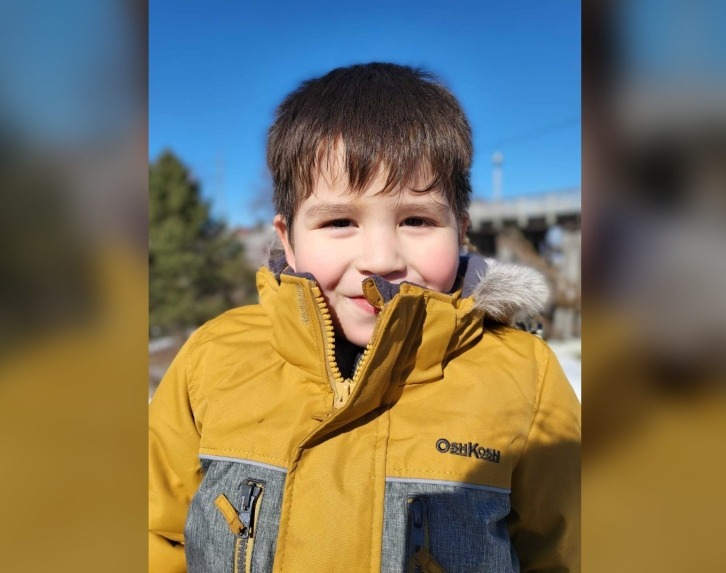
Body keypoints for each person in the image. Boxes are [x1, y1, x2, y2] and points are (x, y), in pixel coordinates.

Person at [148, 63, 580, 573]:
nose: (381, 257)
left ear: (460, 231)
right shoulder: (213, 359)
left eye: (417, 220)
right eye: (339, 221)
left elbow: (568, 550)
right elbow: (156, 534)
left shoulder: (522, 378)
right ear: (288, 239)